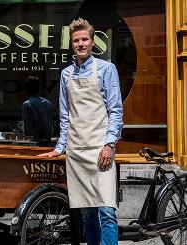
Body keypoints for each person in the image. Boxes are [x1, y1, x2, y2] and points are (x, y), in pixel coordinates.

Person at [38, 18, 123, 245]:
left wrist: (109, 144)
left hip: (100, 150)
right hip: (76, 151)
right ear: (71, 44)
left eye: (85, 39)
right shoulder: (66, 74)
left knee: (106, 210)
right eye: (76, 40)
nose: (81, 43)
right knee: (87, 213)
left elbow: (115, 111)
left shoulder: (107, 69)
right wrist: (59, 148)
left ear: (93, 42)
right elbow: (65, 116)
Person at [21, 76, 53, 145]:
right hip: (47, 142)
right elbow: (50, 126)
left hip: (34, 143)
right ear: (39, 88)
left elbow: (28, 128)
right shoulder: (48, 103)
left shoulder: (27, 105)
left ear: (27, 89)